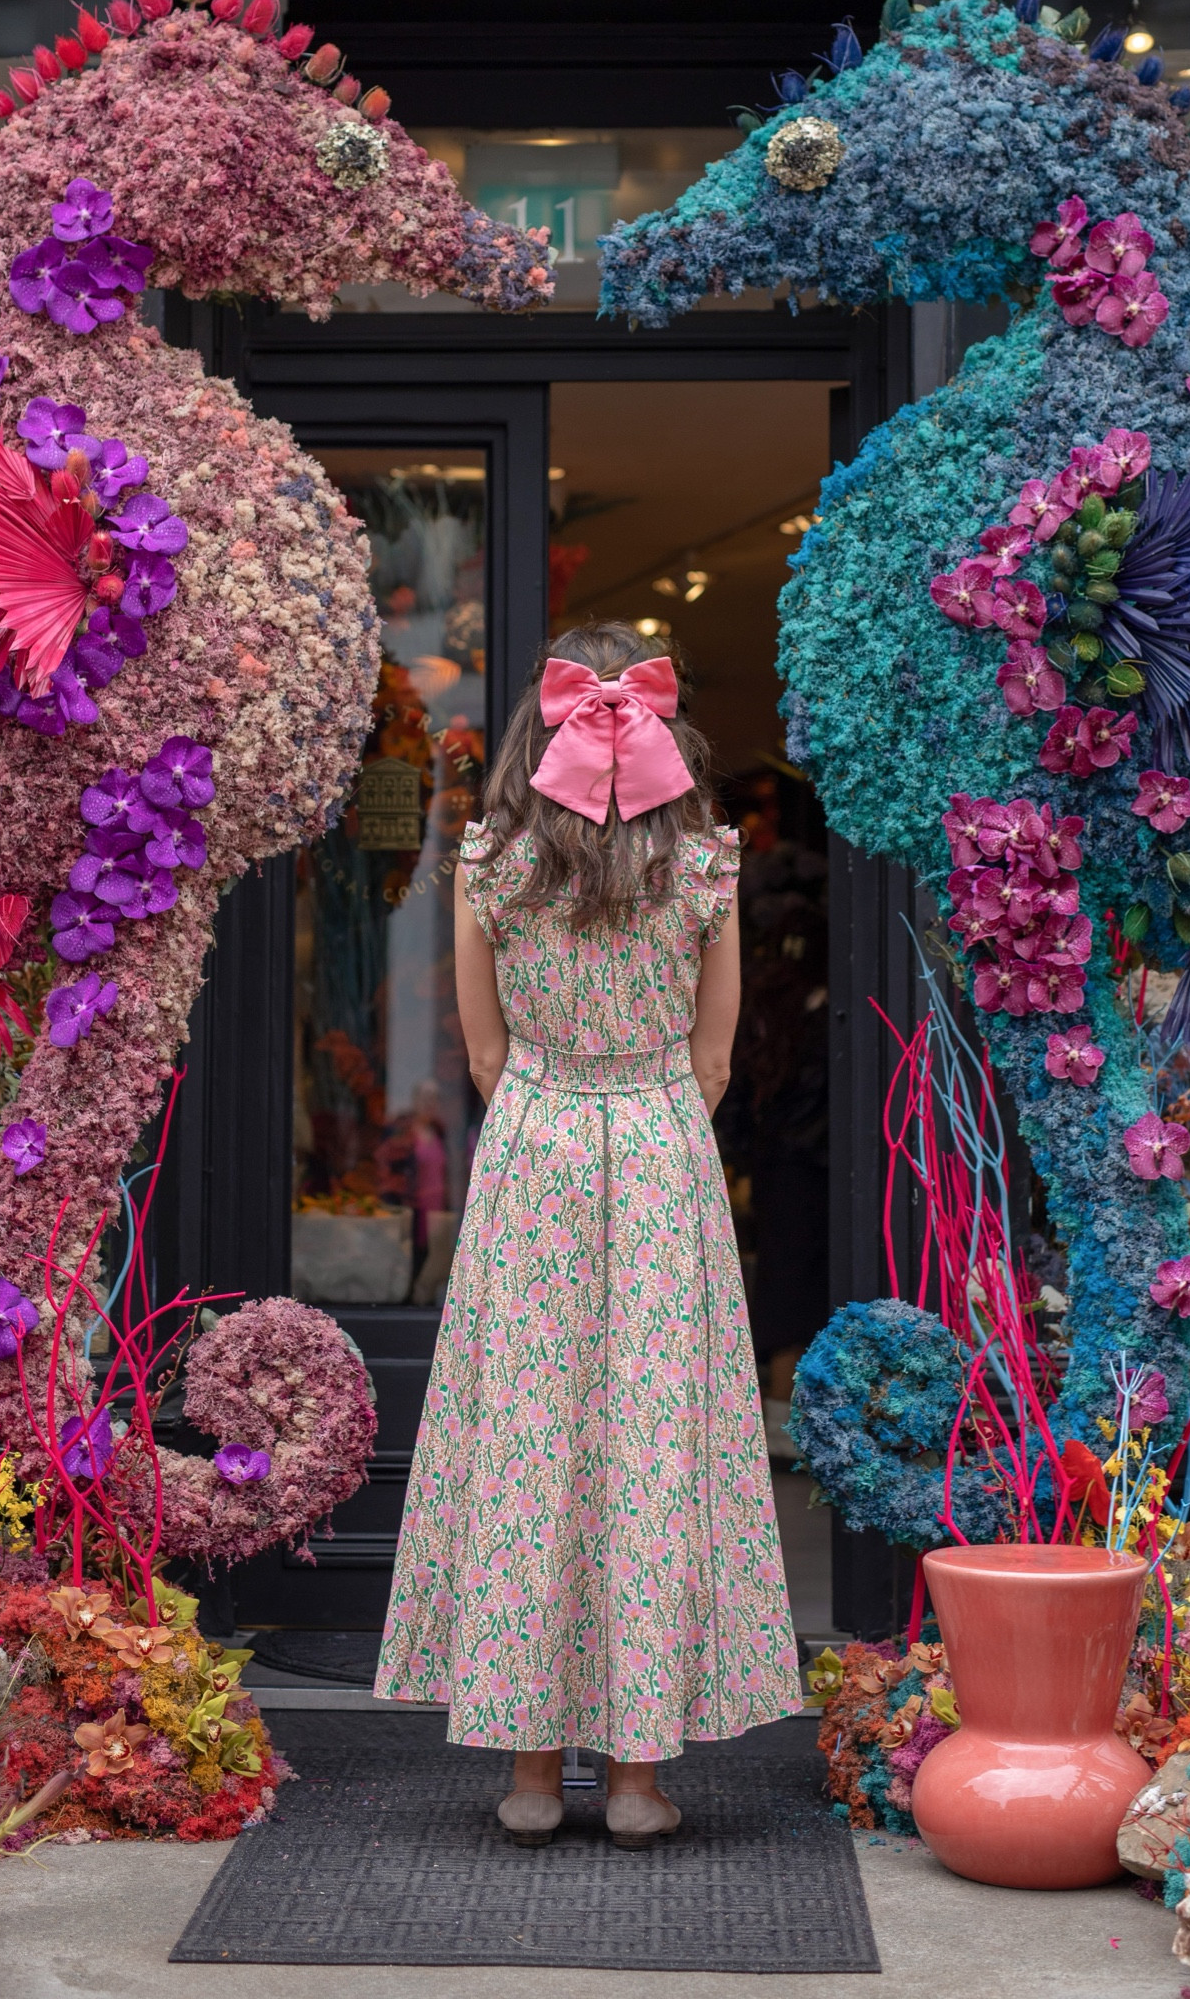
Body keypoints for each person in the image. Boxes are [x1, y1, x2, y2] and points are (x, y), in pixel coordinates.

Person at [375, 620, 801, 1848]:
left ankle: (526, 1770)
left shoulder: (492, 857)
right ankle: (637, 1779)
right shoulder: (709, 866)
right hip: (661, 1146)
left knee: (528, 1441)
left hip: (537, 1143)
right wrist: (648, 1102)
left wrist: (558, 1101)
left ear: (538, 732)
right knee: (650, 1444)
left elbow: (485, 1046)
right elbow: (715, 1052)